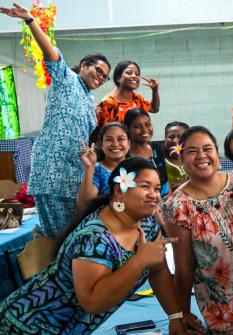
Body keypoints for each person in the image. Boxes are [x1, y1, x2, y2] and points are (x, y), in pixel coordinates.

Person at [0, 158, 201, 334]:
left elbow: (158, 270)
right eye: (145, 186)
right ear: (119, 191)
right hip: (30, 323)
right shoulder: (94, 238)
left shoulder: (146, 223)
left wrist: (175, 316)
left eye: (157, 188)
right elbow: (92, 302)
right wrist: (139, 261)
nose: (154, 195)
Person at [0, 4, 111, 237]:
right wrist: (30, 20)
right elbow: (49, 51)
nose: (100, 77)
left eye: (104, 76)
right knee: (56, 236)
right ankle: (54, 272)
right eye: (98, 70)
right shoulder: (65, 78)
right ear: (84, 65)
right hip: (51, 169)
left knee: (74, 231)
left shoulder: (90, 100)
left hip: (75, 171)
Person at [163, 126, 233, 334]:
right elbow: (184, 266)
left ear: (216, 153)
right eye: (192, 151)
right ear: (182, 158)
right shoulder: (178, 206)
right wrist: (182, 314)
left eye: (207, 149)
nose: (201, 156)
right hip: (223, 306)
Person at [94, 60, 159, 141]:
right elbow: (99, 135)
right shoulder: (107, 104)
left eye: (137, 74)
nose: (134, 76)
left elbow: (154, 109)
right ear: (118, 78)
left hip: (136, 148)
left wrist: (155, 91)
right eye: (129, 73)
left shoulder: (137, 98)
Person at [77, 122, 130, 210]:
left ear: (129, 143)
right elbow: (84, 205)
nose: (115, 144)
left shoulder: (137, 168)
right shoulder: (96, 170)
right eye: (109, 139)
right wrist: (89, 168)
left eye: (121, 139)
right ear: (101, 144)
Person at [124, 108, 170, 197]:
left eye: (148, 124)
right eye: (137, 126)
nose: (144, 129)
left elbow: (165, 181)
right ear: (128, 129)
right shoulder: (125, 157)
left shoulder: (157, 149)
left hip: (164, 201)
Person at [164, 121, 190, 190]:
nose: (175, 140)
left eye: (180, 137)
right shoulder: (159, 163)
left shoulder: (194, 161)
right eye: (171, 137)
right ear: (165, 140)